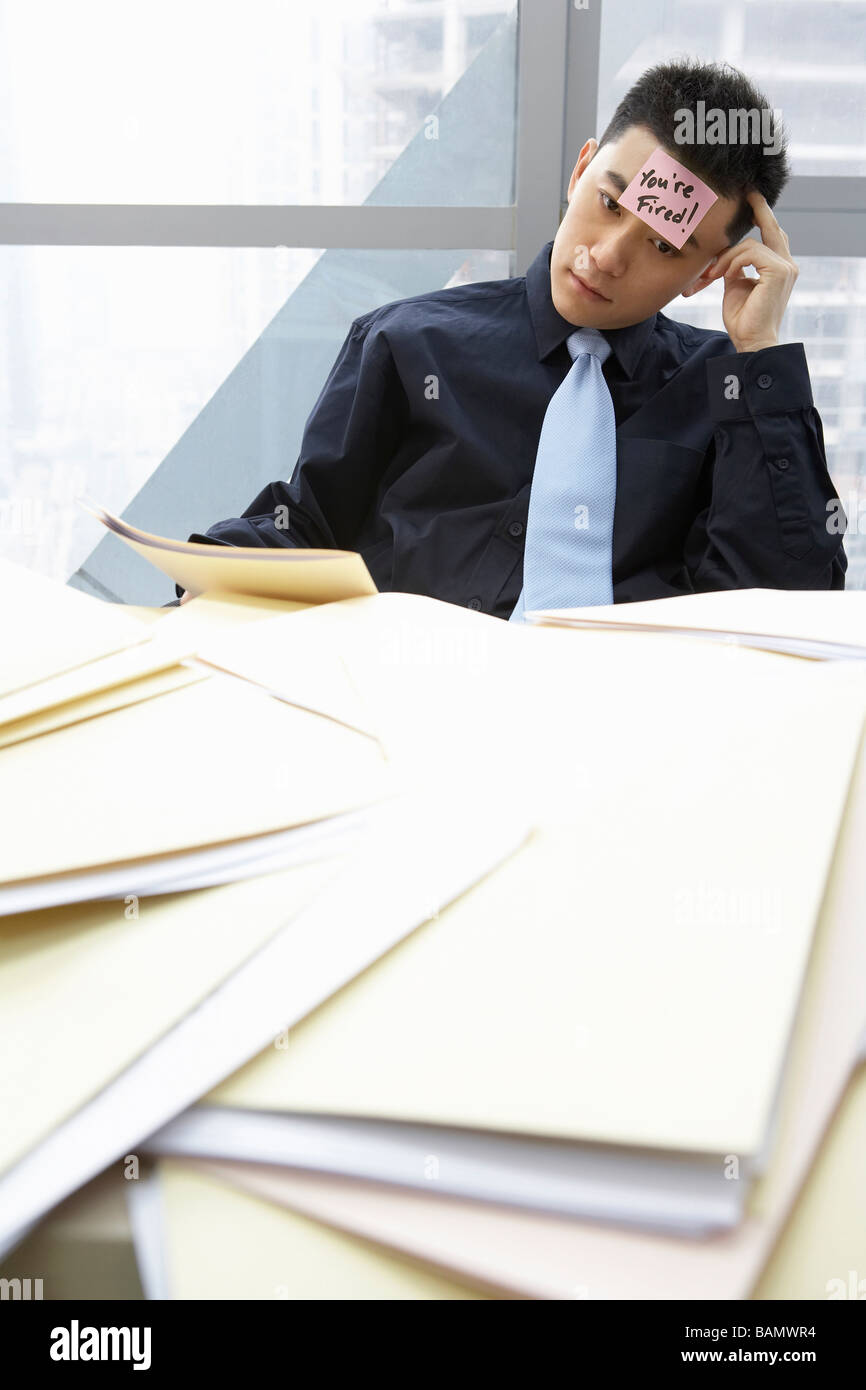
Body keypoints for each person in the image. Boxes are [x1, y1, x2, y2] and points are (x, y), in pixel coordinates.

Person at [180, 58, 846, 618]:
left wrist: (760, 358)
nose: (609, 256)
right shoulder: (409, 344)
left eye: (662, 244)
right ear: (581, 169)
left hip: (624, 737)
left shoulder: (724, 393)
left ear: (706, 273)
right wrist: (208, 570)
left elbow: (785, 603)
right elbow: (311, 530)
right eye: (610, 204)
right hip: (399, 705)